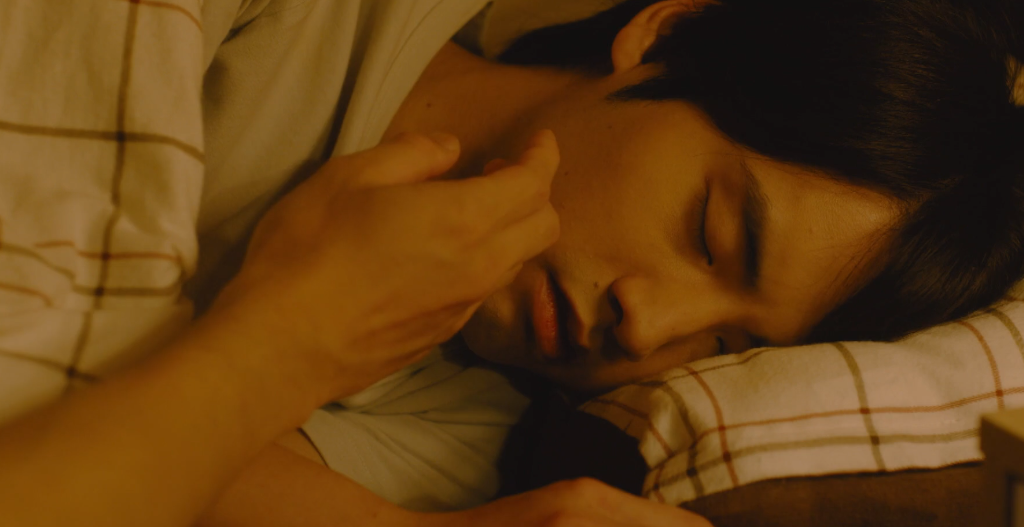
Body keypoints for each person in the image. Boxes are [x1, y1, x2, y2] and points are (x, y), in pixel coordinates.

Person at [0, 0, 1020, 524]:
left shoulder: (468, 423)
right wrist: (292, 337)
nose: (650, 327)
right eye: (711, 231)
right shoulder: (305, 25)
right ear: (667, 33)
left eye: (724, 344)